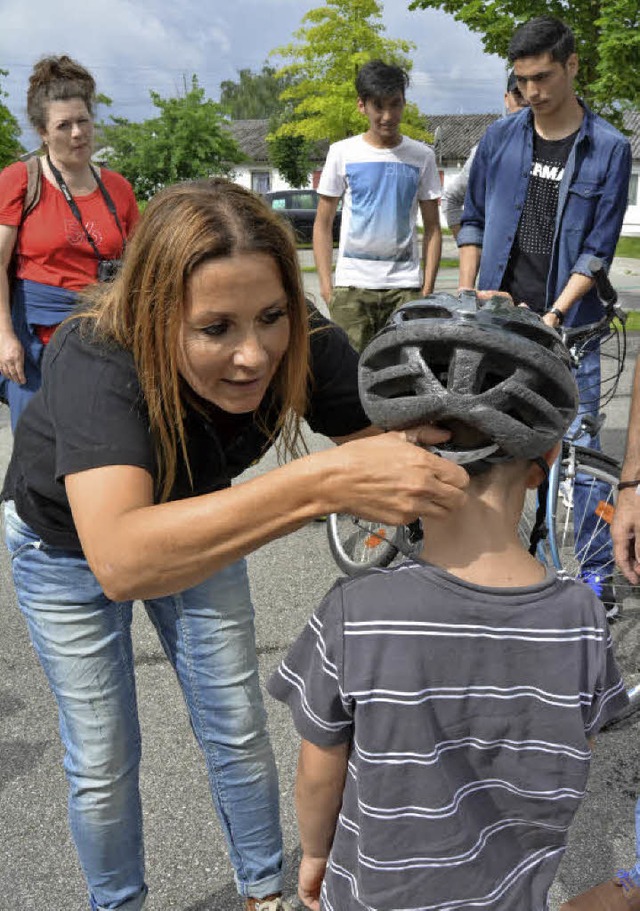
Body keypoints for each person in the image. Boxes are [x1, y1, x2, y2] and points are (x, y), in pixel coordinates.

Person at [1, 178, 468, 911]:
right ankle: (116, 904)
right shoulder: (99, 353)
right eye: (215, 328)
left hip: (199, 514)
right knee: (103, 756)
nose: (254, 356)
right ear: (157, 317)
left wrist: (473, 362)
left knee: (238, 724)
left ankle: (263, 893)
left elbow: (398, 439)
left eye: (272, 316)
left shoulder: (298, 339)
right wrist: (318, 484)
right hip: (65, 544)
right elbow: (122, 559)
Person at [268, 292, 629, 911]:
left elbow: (319, 773)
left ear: (403, 455)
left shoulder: (356, 611)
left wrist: (314, 855)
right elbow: (573, 749)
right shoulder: (581, 617)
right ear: (544, 461)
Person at [456, 15, 632, 617]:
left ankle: (597, 582)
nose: (533, 91)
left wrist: (555, 313)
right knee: (490, 444)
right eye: (522, 79)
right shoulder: (501, 138)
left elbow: (597, 249)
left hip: (571, 327)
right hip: (499, 323)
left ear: (573, 65)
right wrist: (468, 292)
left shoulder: (608, 147)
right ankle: (499, 568)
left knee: (579, 453)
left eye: (544, 76)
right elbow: (473, 219)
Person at [0, 54, 139, 430]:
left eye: (83, 121)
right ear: (43, 132)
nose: (77, 133)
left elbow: (141, 264)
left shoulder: (118, 188)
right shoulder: (20, 181)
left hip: (106, 338)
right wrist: (4, 336)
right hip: (37, 344)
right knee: (40, 446)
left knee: (102, 443)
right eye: (64, 125)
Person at [312, 59, 442, 351]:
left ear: (404, 103)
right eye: (378, 106)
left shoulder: (422, 156)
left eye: (395, 104)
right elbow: (322, 224)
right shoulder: (342, 153)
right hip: (351, 290)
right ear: (362, 106)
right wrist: (326, 285)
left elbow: (433, 228)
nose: (387, 115)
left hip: (405, 289)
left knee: (405, 371)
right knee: (350, 372)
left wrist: (427, 289)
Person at [441, 70, 527, 237]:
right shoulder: (488, 149)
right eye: (519, 95)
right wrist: (468, 245)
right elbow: (451, 198)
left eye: (530, 95)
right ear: (506, 99)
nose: (526, 102)